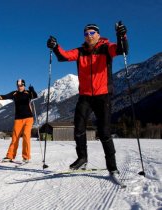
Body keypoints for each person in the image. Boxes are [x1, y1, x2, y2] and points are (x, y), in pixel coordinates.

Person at [47, 23, 128, 176]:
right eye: (86, 34)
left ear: (98, 34)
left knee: (104, 132)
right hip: (85, 96)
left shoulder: (106, 48)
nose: (89, 36)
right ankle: (82, 158)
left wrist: (121, 35)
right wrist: (55, 46)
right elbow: (63, 56)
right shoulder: (80, 51)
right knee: (78, 128)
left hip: (103, 95)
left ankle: (112, 167)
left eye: (91, 33)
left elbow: (121, 49)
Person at [0, 79, 37, 163]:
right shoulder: (14, 93)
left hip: (28, 118)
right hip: (18, 119)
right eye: (18, 85)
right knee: (15, 138)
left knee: (26, 136)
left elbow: (34, 96)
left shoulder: (28, 93)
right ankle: (10, 156)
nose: (19, 87)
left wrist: (32, 90)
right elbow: (4, 96)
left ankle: (26, 157)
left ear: (24, 85)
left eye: (21, 85)